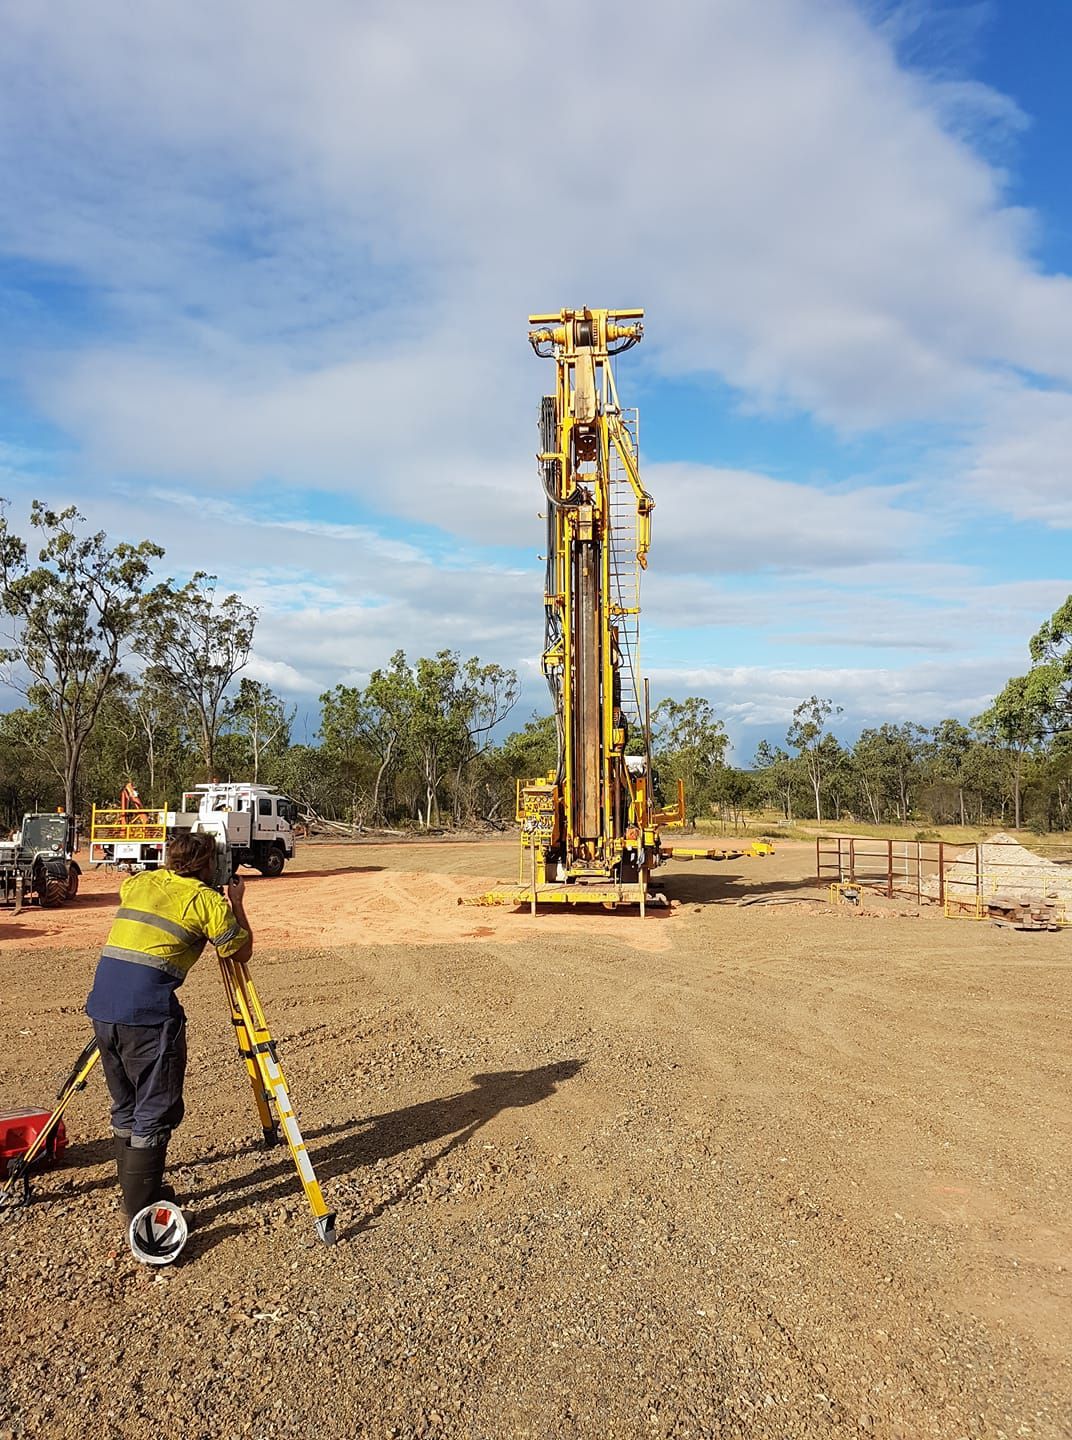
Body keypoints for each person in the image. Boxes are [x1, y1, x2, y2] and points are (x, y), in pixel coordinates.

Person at [84, 832, 252, 1222]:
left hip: (103, 1009)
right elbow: (239, 950)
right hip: (148, 1016)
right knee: (154, 1110)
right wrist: (237, 904)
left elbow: (139, 894)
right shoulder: (207, 902)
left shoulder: (140, 883)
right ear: (208, 864)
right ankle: (142, 1213)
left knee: (126, 1105)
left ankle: (136, 1191)